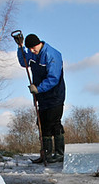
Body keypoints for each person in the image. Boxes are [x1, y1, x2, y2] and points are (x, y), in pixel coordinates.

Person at [16, 33, 67, 163]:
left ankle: (59, 154)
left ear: (39, 43)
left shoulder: (52, 54)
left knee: (54, 122)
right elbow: (24, 62)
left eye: (34, 48)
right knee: (43, 123)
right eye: (30, 49)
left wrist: (38, 88)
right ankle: (46, 154)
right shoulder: (32, 53)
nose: (32, 51)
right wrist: (20, 47)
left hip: (55, 95)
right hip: (42, 97)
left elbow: (53, 78)